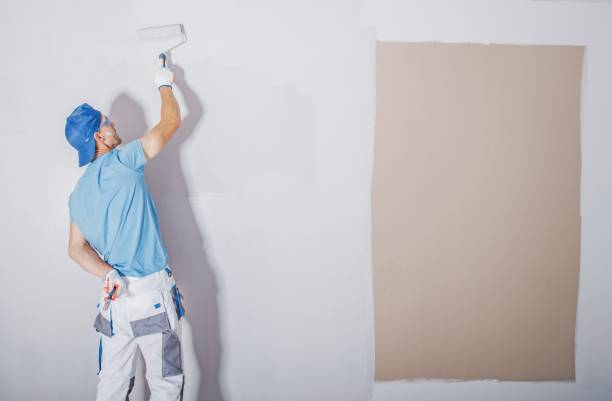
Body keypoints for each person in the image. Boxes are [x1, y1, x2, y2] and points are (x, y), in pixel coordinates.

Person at [65, 59, 186, 401]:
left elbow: (75, 249)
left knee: (112, 390)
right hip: (149, 298)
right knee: (165, 386)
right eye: (107, 123)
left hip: (114, 302)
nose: (114, 124)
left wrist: (108, 273)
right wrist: (164, 82)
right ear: (97, 136)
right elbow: (171, 122)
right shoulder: (123, 161)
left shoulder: (78, 194)